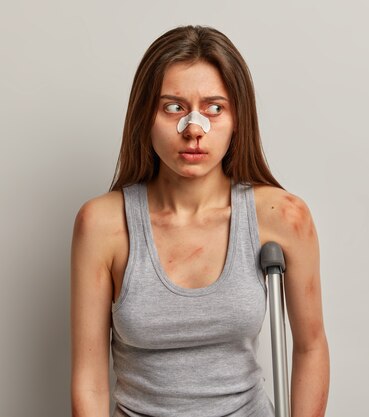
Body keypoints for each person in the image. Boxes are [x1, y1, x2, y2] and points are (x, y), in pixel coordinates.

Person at [70, 25, 330, 417]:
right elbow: (89, 380)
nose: (194, 129)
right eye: (173, 107)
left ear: (238, 118)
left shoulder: (282, 216)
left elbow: (310, 346)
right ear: (146, 117)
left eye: (214, 108)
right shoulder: (103, 224)